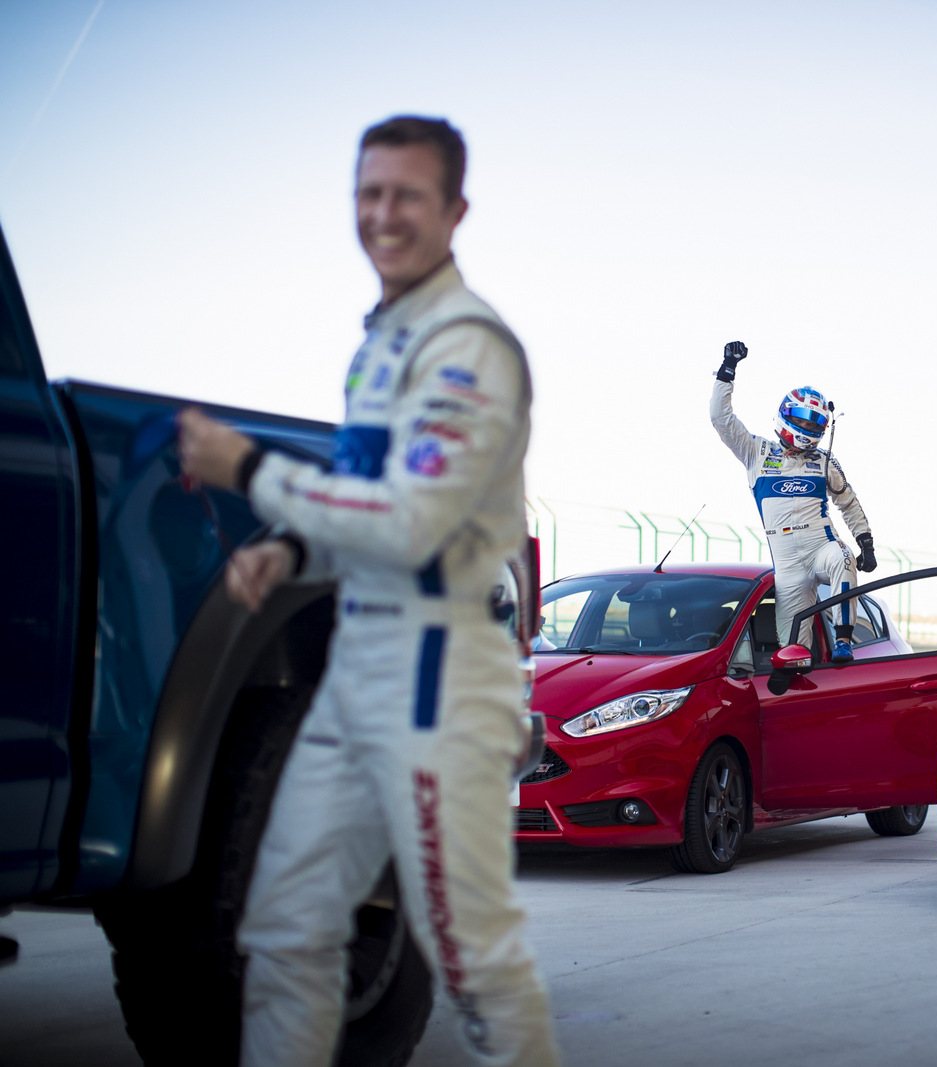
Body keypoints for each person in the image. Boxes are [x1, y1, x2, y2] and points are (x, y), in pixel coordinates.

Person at [178, 115, 559, 1067]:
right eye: (369, 192)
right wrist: (293, 551)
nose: (383, 214)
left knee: (472, 961)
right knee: (286, 931)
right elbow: (369, 500)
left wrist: (251, 468)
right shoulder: (382, 342)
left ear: (455, 210)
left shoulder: (468, 345)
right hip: (360, 668)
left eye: (407, 196)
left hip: (440, 680)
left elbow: (413, 521)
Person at [709, 341, 876, 661]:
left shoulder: (825, 460)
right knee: (791, 652)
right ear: (785, 415)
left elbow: (849, 502)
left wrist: (865, 541)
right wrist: (727, 370)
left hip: (821, 547)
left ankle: (844, 641)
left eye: (815, 423)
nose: (807, 427)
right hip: (787, 566)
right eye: (802, 418)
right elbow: (721, 418)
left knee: (842, 557)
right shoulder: (755, 452)